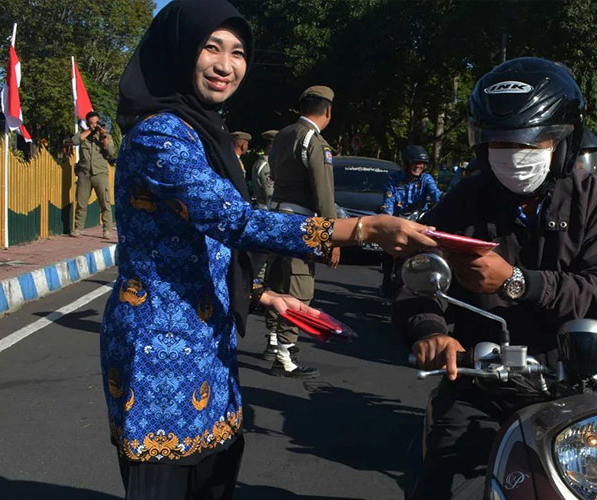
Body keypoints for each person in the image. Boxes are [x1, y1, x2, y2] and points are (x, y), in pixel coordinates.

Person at [105, 2, 436, 498]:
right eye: (210, 48)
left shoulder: (201, 132)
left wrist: (263, 297)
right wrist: (361, 230)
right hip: (160, 353)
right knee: (165, 485)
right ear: (178, 51)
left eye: (238, 52)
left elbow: (204, 245)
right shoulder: (160, 135)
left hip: (208, 343)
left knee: (214, 480)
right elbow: (234, 221)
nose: (226, 65)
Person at [393, 57, 597, 499]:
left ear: (563, 143)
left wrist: (517, 281)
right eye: (498, 143)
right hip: (478, 385)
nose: (512, 154)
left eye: (528, 143)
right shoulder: (466, 198)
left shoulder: (595, 201)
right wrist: (428, 330)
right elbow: (416, 274)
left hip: (571, 387)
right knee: (441, 486)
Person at [262, 85, 341, 377]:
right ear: (328, 111)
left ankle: (272, 340)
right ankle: (285, 356)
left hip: (276, 217)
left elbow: (272, 171)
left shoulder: (283, 135)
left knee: (278, 283)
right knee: (299, 287)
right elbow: (324, 193)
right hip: (301, 223)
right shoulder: (315, 140)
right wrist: (331, 237)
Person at [379, 145, 442, 295]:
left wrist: (446, 202)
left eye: (422, 164)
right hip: (398, 221)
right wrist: (388, 218)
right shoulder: (393, 179)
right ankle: (386, 280)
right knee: (388, 248)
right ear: (406, 163)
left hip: (419, 222)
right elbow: (388, 203)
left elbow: (437, 196)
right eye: (415, 163)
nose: (419, 166)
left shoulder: (426, 179)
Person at [71, 111, 115, 238]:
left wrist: (103, 135)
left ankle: (107, 230)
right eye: (91, 123)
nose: (94, 125)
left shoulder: (104, 136)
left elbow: (110, 151)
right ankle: (78, 228)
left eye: (96, 122)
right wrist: (90, 130)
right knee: (81, 202)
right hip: (84, 173)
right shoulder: (84, 135)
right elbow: (74, 141)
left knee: (104, 202)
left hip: (100, 173)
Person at [251, 129, 277, 209]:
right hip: (268, 210)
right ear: (271, 145)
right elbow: (270, 194)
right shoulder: (266, 165)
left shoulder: (260, 162)